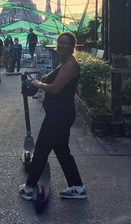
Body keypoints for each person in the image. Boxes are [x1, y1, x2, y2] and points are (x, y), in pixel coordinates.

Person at [19, 32, 87, 200]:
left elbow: (56, 88)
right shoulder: (64, 63)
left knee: (42, 148)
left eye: (66, 43)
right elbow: (56, 80)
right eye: (59, 42)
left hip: (59, 115)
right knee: (62, 151)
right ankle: (77, 187)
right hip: (59, 113)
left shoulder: (71, 64)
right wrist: (45, 78)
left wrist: (39, 84)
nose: (61, 45)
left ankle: (28, 188)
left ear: (72, 46)